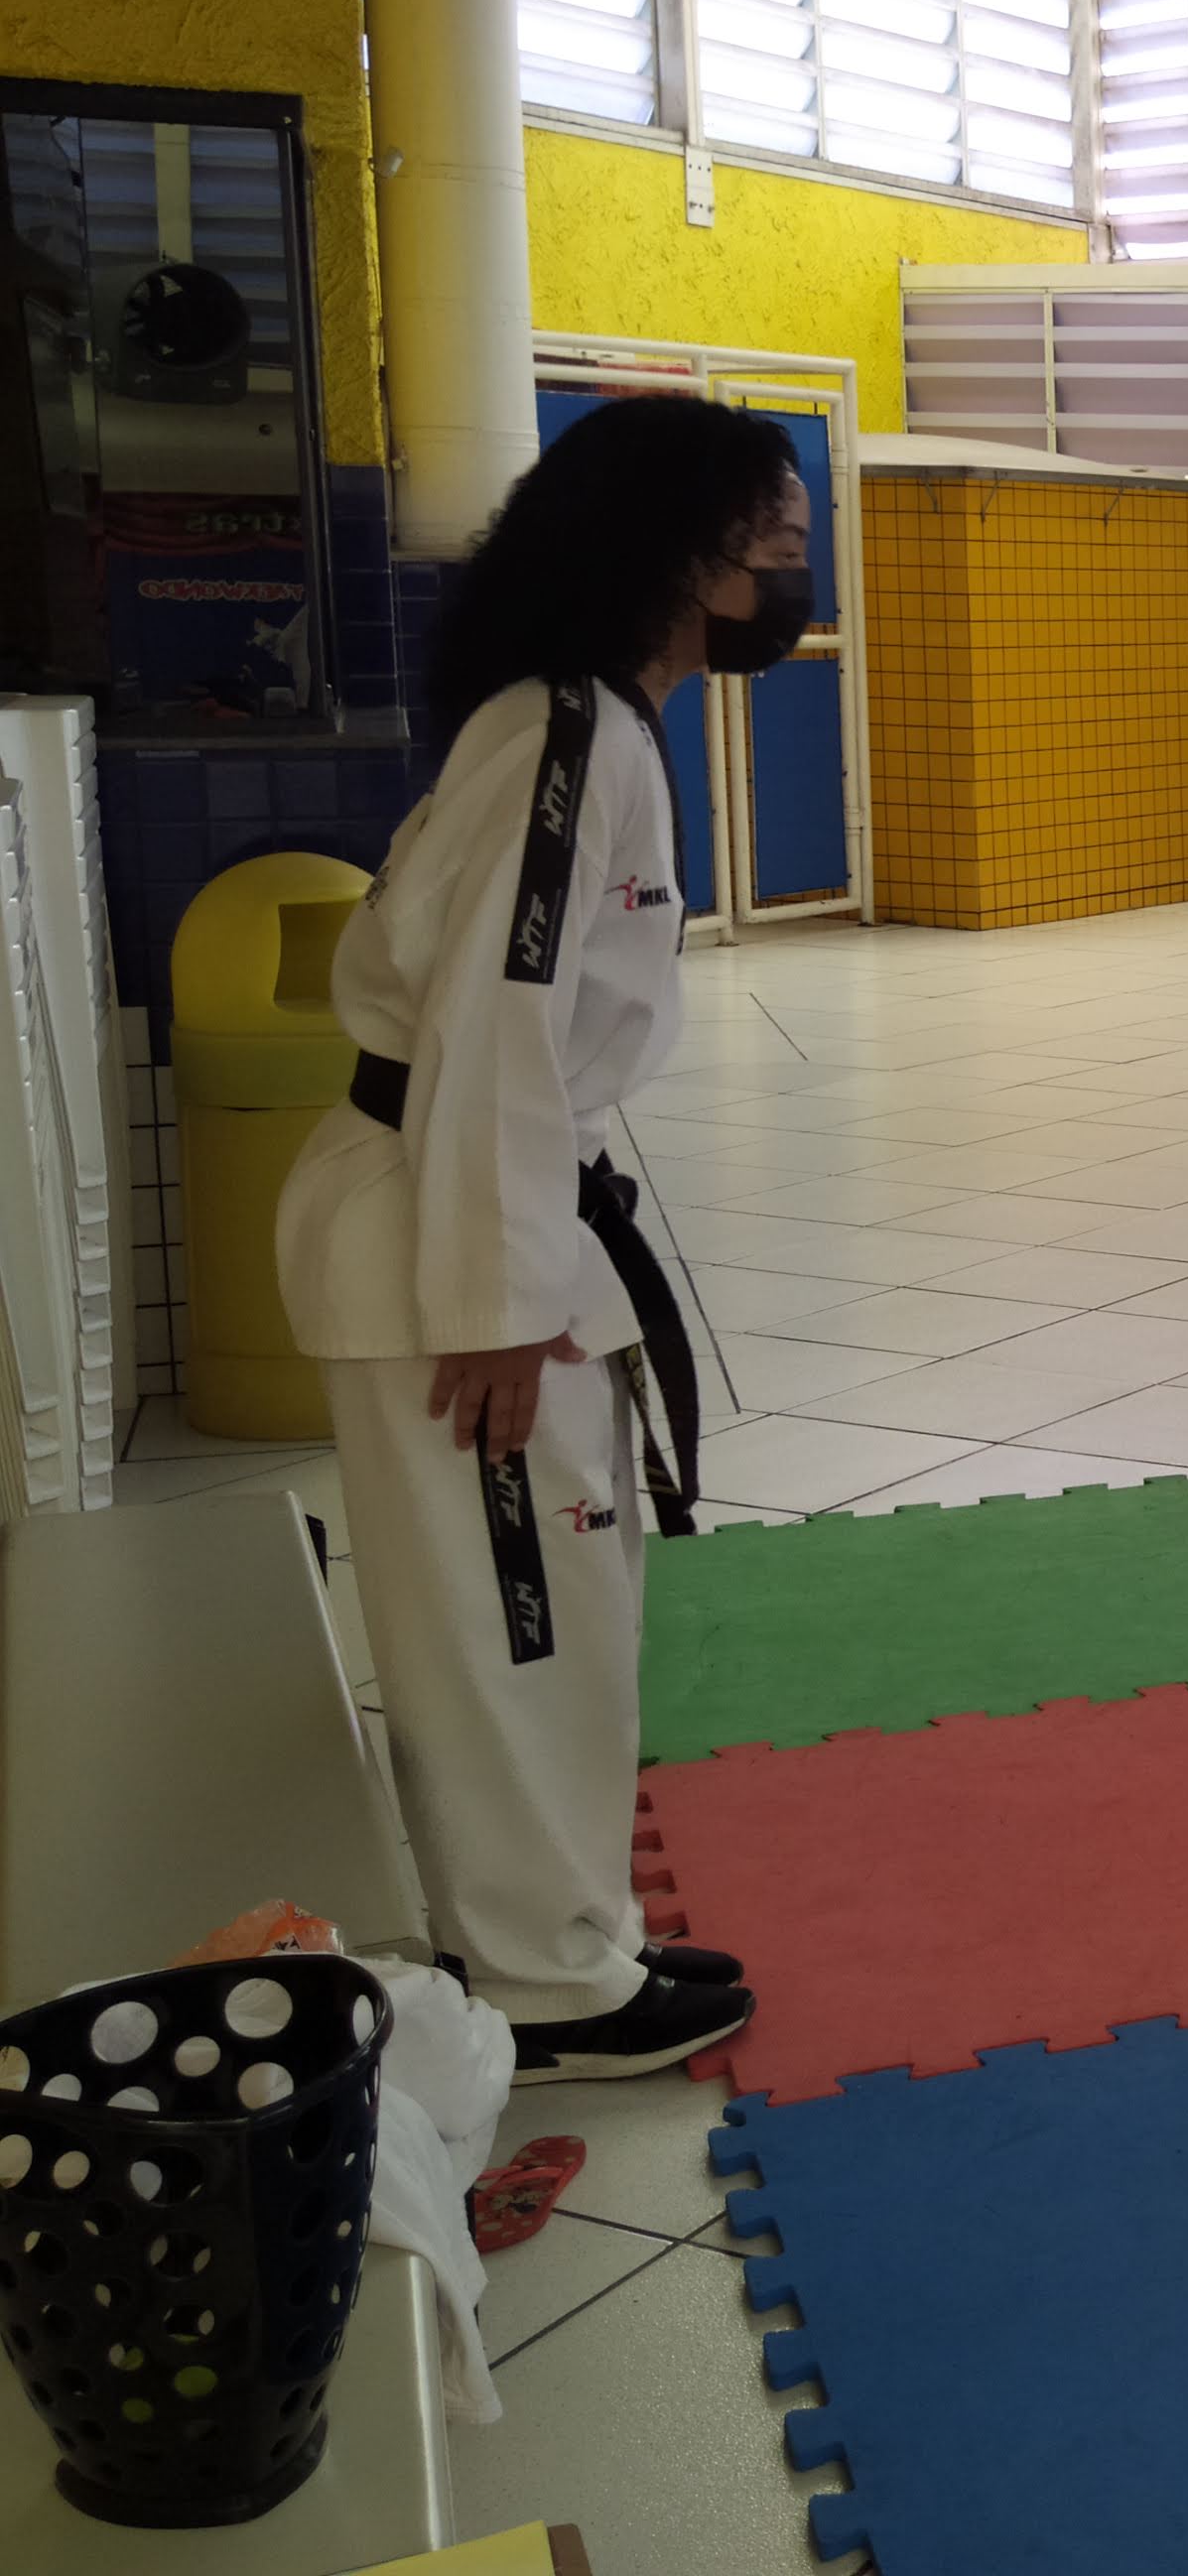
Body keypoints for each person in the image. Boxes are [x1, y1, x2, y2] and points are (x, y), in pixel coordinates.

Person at [278, 395, 814, 2083]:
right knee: (516, 1617)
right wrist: (496, 1303)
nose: (792, 559)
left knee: (554, 1596)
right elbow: (494, 1030)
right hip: (451, 1234)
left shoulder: (587, 725)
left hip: (483, 1207)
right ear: (676, 552)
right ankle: (546, 1983)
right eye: (772, 532)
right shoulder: (566, 736)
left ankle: (570, 1932)